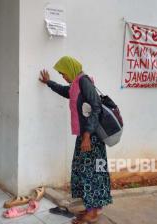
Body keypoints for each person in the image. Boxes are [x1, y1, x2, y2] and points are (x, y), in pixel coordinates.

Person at [39, 56, 112, 223]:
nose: (63, 77)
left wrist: (87, 135)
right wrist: (49, 83)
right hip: (85, 135)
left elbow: (96, 107)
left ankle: (93, 212)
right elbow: (67, 92)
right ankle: (92, 207)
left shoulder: (84, 81)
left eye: (63, 73)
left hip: (91, 137)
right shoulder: (77, 84)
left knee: (90, 172)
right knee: (86, 171)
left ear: (71, 69)